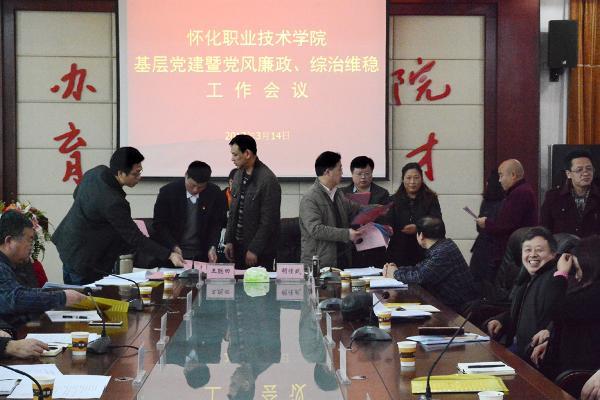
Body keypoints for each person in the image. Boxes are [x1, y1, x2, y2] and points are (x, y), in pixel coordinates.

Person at [53, 147, 184, 284]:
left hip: (68, 245)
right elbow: (135, 238)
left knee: (72, 289)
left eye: (140, 171)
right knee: (84, 296)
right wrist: (169, 255)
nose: (139, 177)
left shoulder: (96, 172)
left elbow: (76, 195)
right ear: (121, 173)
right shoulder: (113, 202)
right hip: (85, 258)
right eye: (135, 174)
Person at [528, 235, 600, 381]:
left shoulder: (594, 294)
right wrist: (551, 342)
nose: (577, 276)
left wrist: (561, 274)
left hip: (578, 375)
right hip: (569, 365)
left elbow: (553, 309)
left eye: (578, 269)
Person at [485, 227, 563, 360]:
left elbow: (556, 315)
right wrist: (501, 320)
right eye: (527, 250)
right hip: (514, 348)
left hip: (530, 354)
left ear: (553, 254)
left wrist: (549, 331)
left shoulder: (554, 279)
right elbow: (521, 312)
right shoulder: (526, 277)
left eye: (539, 250)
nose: (532, 255)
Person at [0, 211, 86, 327]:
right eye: (29, 240)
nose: (31, 246)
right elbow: (15, 299)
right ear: (9, 241)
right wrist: (62, 297)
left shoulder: (16, 264)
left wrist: (60, 294)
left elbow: (25, 292)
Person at [383, 217, 479, 315]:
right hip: (454, 304)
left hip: (458, 310)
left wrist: (395, 273)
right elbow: (420, 268)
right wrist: (396, 269)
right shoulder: (444, 245)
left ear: (421, 235)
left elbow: (419, 277)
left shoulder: (442, 252)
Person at [224, 135, 281, 269]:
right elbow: (233, 211)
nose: (232, 159)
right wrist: (229, 240)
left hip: (259, 252)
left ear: (247, 154)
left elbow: (269, 221)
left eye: (235, 155)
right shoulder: (238, 174)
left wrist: (255, 249)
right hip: (238, 247)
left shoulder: (268, 180)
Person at [152, 161, 226, 263]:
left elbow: (216, 224)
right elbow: (159, 224)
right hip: (172, 253)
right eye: (192, 185)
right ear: (186, 175)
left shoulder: (214, 193)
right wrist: (173, 246)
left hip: (201, 254)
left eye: (200, 187)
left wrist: (212, 247)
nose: (195, 190)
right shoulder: (168, 192)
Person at [299, 152, 362, 269]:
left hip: (342, 260)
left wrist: (377, 209)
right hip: (320, 265)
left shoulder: (338, 194)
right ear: (328, 172)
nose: (342, 173)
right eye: (339, 169)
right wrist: (347, 234)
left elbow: (356, 209)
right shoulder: (310, 198)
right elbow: (316, 229)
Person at [476, 159, 537, 272]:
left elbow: (506, 226)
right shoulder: (521, 190)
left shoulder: (519, 193)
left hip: (515, 253)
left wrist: (486, 224)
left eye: (501, 175)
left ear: (513, 175)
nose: (499, 180)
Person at [386, 162, 442, 266]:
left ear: (421, 179)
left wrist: (418, 228)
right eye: (408, 178)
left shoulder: (430, 199)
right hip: (399, 252)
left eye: (416, 178)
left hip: (424, 252)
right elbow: (388, 224)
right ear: (403, 179)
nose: (412, 182)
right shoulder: (393, 200)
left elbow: (438, 223)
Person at [341, 156, 389, 267]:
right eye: (359, 174)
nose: (363, 177)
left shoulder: (382, 193)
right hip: (350, 246)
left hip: (374, 246)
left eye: (367, 174)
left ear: (372, 174)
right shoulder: (342, 194)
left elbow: (386, 219)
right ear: (352, 174)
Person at [541, 150, 600, 237]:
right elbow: (544, 230)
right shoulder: (553, 197)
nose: (585, 173)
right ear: (568, 174)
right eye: (579, 170)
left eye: (589, 169)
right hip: (563, 245)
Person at [469, 169, 505, 284]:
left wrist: (483, 224)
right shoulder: (502, 201)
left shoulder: (488, 201)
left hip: (485, 246)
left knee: (478, 280)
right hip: (490, 247)